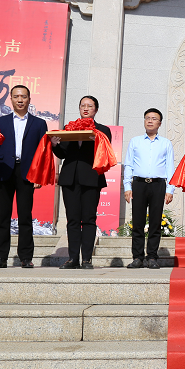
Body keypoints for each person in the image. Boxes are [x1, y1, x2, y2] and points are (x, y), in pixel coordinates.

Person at [0, 84, 49, 269]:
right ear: (11, 99)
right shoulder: (0, 121)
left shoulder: (39, 123)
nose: (20, 100)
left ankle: (26, 257)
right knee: (3, 217)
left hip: (27, 173)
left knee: (25, 216)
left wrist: (40, 176)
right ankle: (1, 257)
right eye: (16, 96)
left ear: (29, 99)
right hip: (3, 171)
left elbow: (43, 152)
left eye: (23, 97)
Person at [52, 96, 112, 270]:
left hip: (91, 178)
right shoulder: (69, 128)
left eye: (89, 106)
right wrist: (55, 145)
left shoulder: (103, 130)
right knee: (72, 219)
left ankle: (86, 259)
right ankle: (72, 259)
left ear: (96, 109)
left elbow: (105, 152)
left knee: (89, 218)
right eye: (82, 105)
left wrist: (96, 140)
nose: (85, 108)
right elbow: (62, 153)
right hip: (70, 178)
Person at [123, 108, 175, 270]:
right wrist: (127, 186)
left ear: (160, 123)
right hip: (139, 184)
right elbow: (129, 164)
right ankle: (137, 257)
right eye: (147, 118)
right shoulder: (135, 141)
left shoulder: (166, 143)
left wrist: (170, 189)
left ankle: (152, 257)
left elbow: (170, 167)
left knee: (155, 222)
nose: (150, 121)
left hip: (158, 185)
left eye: (154, 118)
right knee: (138, 222)